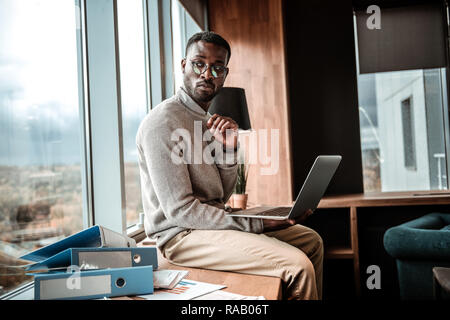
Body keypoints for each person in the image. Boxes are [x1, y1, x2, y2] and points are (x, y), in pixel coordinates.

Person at [136, 31, 323, 300]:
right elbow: (180, 212)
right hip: (182, 237)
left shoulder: (208, 119)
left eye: (217, 67)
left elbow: (220, 197)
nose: (207, 74)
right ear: (183, 66)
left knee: (311, 242)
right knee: (297, 266)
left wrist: (228, 148)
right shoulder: (162, 123)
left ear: (224, 74)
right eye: (199, 63)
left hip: (209, 226)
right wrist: (256, 224)